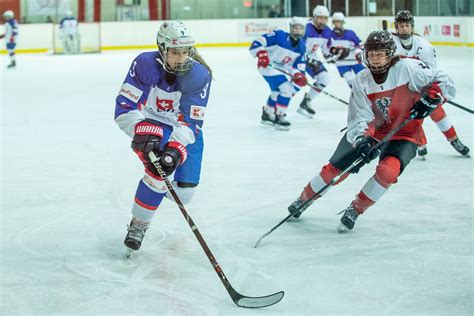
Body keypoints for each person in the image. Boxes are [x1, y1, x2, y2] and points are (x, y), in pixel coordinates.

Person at [287, 30, 455, 232]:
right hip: (373, 130)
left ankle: (356, 209)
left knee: (388, 171)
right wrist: (362, 140)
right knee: (336, 168)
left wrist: (432, 97)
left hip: (404, 133)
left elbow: (443, 80)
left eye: (380, 53)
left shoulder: (409, 68)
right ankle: (304, 198)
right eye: (371, 53)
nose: (375, 59)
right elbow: (359, 117)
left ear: (390, 53)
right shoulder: (361, 80)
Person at [114, 20, 212, 252]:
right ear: (162, 48)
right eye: (175, 52)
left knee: (185, 193)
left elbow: (191, 120)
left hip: (184, 129)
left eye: (186, 51)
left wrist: (176, 148)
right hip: (152, 123)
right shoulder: (145, 64)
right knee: (158, 171)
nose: (181, 58)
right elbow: (124, 107)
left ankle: (154, 189)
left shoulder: (199, 75)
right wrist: (140, 129)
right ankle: (139, 223)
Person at [393, 10, 469, 158]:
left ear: (412, 27)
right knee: (408, 116)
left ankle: (454, 139)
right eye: (401, 26)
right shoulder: (390, 45)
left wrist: (433, 92)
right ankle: (419, 142)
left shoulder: (424, 46)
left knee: (436, 111)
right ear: (396, 27)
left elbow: (432, 73)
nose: (404, 28)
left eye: (407, 25)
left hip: (421, 85)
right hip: (400, 87)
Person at [249, 17, 307, 130]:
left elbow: (296, 67)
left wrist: (298, 74)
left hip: (280, 68)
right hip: (267, 65)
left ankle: (268, 114)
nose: (298, 31)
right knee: (286, 89)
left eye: (301, 28)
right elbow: (258, 41)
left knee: (276, 92)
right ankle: (279, 116)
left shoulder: (302, 47)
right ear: (291, 28)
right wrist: (261, 53)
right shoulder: (279, 35)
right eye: (295, 28)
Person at [298, 5, 332, 118]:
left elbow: (326, 49)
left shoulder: (327, 31)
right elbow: (298, 47)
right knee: (295, 84)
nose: (323, 21)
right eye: (320, 18)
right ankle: (275, 110)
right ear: (314, 17)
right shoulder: (305, 27)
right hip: (298, 57)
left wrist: (330, 56)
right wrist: (309, 59)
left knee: (324, 78)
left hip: (312, 57)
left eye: (325, 18)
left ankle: (306, 101)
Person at [329, 12, 365, 88]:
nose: (336, 24)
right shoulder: (329, 34)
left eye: (338, 22)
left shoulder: (350, 33)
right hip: (341, 63)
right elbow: (327, 49)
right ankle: (357, 97)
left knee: (364, 79)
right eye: (335, 22)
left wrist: (359, 52)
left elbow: (360, 45)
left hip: (354, 61)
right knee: (351, 82)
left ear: (342, 23)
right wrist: (329, 56)